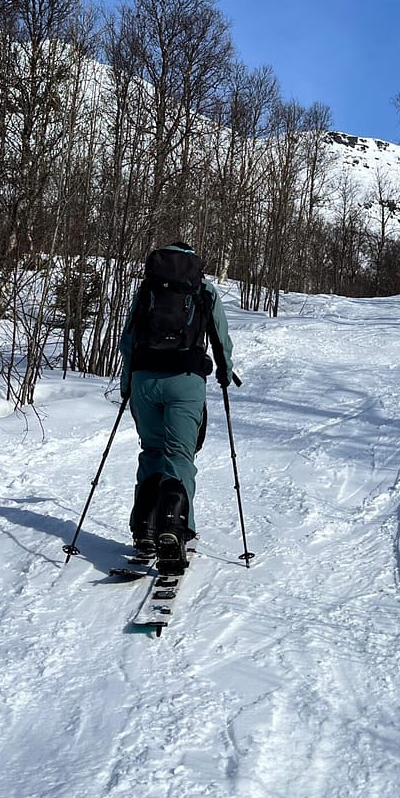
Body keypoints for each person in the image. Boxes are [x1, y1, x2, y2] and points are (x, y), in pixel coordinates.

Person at [117, 241, 234, 571]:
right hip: (185, 379)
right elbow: (220, 339)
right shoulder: (203, 289)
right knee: (179, 456)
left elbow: (128, 341)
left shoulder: (148, 288)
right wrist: (224, 374)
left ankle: (145, 528)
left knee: (152, 451)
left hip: (144, 380)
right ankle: (174, 528)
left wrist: (128, 384)